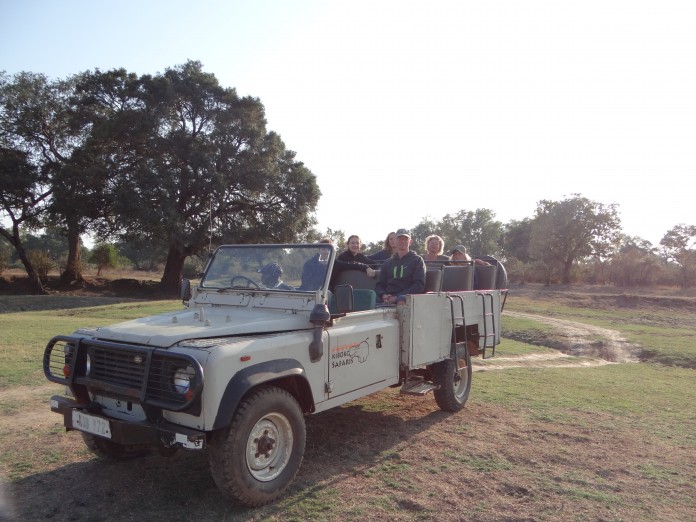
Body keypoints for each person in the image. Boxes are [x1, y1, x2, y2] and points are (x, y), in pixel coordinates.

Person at [374, 229, 426, 304]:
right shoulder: (387, 263)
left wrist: (397, 297)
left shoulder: (417, 260)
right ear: (395, 241)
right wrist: (383, 295)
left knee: (401, 300)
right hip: (387, 297)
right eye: (399, 239)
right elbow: (380, 285)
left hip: (405, 297)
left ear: (410, 242)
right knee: (371, 298)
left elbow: (419, 285)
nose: (402, 241)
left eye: (405, 239)